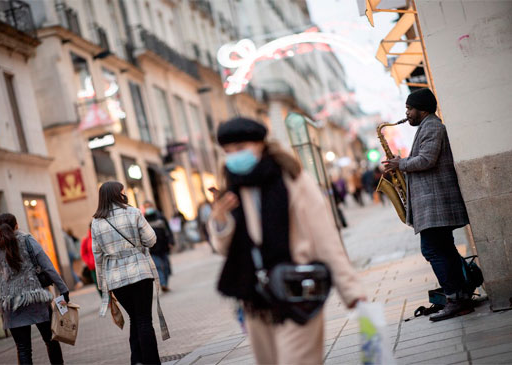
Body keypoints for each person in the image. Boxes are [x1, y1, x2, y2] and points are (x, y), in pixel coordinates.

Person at [208, 117, 366, 364]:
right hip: (256, 298)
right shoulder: (231, 184)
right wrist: (219, 221)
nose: (234, 156)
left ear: (260, 144)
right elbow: (224, 249)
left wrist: (351, 290)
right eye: (228, 151)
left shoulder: (291, 177)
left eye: (240, 148)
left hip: (298, 289)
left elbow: (324, 236)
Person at [383, 88, 471, 322]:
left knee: (432, 250)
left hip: (435, 202)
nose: (407, 114)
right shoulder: (428, 126)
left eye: (409, 109)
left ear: (422, 109)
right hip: (434, 202)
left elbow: (427, 160)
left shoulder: (432, 126)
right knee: (445, 248)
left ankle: (454, 298)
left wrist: (401, 164)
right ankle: (461, 295)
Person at [91, 181, 168, 365]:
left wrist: (103, 286)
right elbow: (151, 240)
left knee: (135, 318)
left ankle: (137, 360)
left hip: (115, 278)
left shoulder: (96, 222)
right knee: (143, 320)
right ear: (119, 194)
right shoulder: (133, 212)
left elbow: (98, 255)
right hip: (140, 273)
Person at [0, 213, 69, 365]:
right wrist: (63, 289)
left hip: (10, 304)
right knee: (51, 340)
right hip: (36, 300)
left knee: (23, 348)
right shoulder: (27, 240)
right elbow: (48, 266)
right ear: (17, 226)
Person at [143, 201, 175, 292]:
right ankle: (163, 283)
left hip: (163, 246)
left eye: (149, 206)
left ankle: (165, 282)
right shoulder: (143, 220)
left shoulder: (160, 217)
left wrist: (171, 242)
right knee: (158, 267)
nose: (148, 208)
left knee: (166, 267)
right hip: (152, 249)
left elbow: (168, 230)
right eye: (146, 207)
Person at [80, 222, 101, 296]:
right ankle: (106, 301)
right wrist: (89, 262)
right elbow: (83, 253)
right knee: (98, 284)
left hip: (102, 264)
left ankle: (111, 300)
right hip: (93, 267)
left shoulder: (100, 236)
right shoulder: (86, 240)